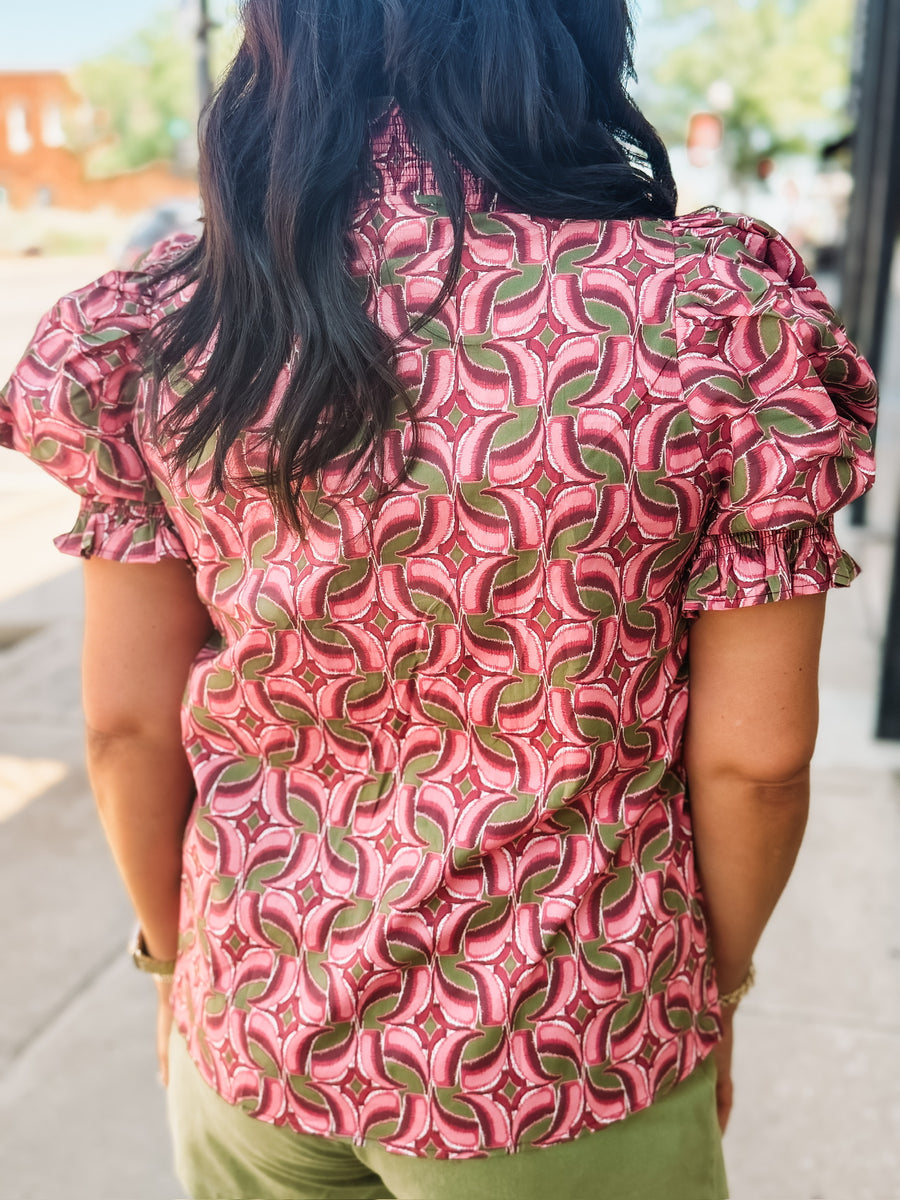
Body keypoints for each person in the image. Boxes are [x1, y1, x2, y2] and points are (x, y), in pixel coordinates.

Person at [0, 2, 877, 1197]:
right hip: (565, 1041)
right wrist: (707, 993)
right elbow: (757, 763)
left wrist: (175, 967)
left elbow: (125, 726)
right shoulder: (710, 327)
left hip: (256, 1019)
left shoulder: (171, 324)